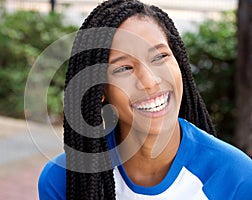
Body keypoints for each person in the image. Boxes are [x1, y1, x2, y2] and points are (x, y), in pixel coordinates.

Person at [38, 0, 252, 199]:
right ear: (99, 88)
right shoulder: (63, 180)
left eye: (160, 57)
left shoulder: (236, 177)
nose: (149, 81)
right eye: (124, 68)